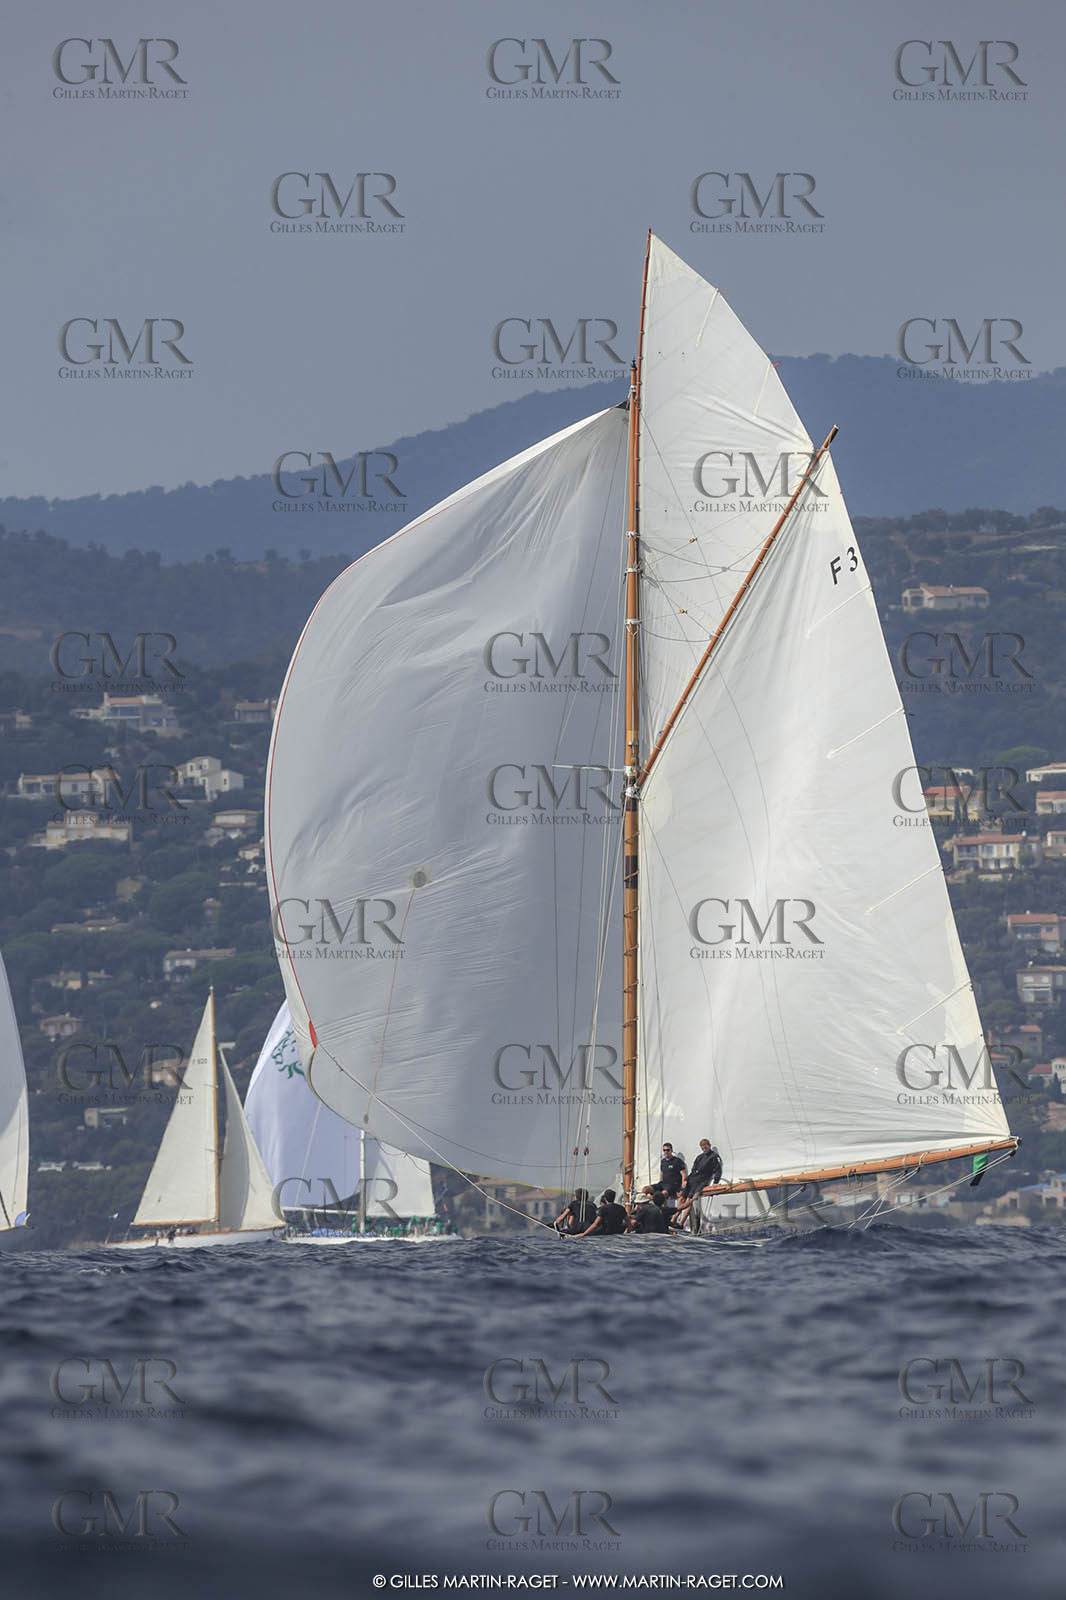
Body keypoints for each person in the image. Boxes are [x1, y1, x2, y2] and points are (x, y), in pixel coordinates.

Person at [670, 1139, 723, 1232]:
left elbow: (718, 1170)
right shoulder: (699, 1157)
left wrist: (716, 1181)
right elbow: (693, 1170)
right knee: (682, 1198)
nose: (704, 1147)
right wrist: (686, 1180)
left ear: (709, 1145)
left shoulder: (714, 1157)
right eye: (702, 1146)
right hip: (692, 1179)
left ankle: (681, 1223)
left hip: (702, 1181)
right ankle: (673, 1220)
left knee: (689, 1200)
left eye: (705, 1145)